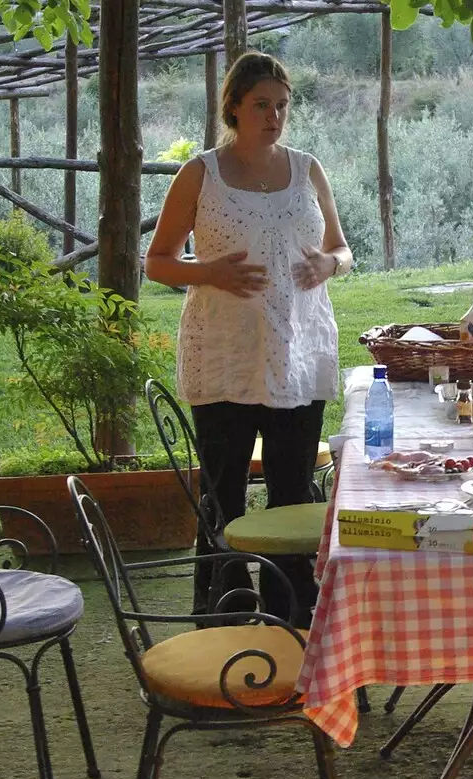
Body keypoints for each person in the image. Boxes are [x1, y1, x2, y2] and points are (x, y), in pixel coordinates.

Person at [145, 52, 352, 625]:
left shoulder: (308, 169)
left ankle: (293, 619)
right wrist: (208, 271)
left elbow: (343, 248)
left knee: (293, 496)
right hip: (226, 356)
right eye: (262, 104)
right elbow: (157, 262)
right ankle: (223, 618)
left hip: (299, 351)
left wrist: (328, 266)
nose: (274, 115)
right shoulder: (200, 173)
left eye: (282, 105)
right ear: (233, 106)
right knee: (224, 497)